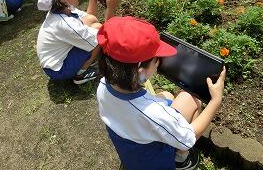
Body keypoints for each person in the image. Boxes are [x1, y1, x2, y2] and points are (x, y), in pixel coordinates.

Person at [96, 16, 226, 170]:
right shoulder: (153, 113)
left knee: (166, 95)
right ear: (140, 71)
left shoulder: (103, 86)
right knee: (191, 100)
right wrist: (215, 101)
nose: (159, 62)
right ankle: (181, 159)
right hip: (156, 163)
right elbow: (188, 138)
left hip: (132, 150)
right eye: (156, 59)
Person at [36, 0, 118, 84]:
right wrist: (111, 8)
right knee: (99, 34)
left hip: (55, 61)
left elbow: (90, 17)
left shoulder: (62, 11)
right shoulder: (65, 24)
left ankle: (81, 62)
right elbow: (103, 36)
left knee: (92, 21)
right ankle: (80, 74)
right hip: (59, 70)